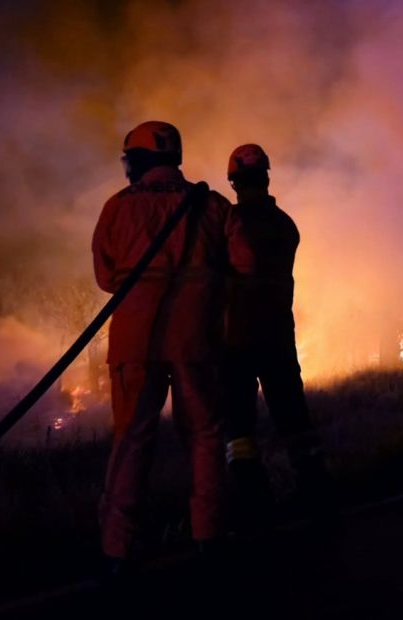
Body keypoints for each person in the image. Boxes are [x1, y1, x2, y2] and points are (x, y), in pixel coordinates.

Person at [91, 121, 253, 578]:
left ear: (138, 161)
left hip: (134, 343)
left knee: (131, 439)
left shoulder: (117, 208)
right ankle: (209, 537)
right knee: (203, 436)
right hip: (195, 341)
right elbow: (247, 263)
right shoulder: (213, 205)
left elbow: (106, 279)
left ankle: (117, 551)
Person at [223, 144, 330, 527]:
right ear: (266, 177)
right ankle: (315, 491)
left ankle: (255, 504)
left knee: (238, 428)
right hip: (278, 338)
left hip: (235, 340)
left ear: (233, 181)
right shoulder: (286, 225)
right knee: (293, 419)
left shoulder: (228, 224)